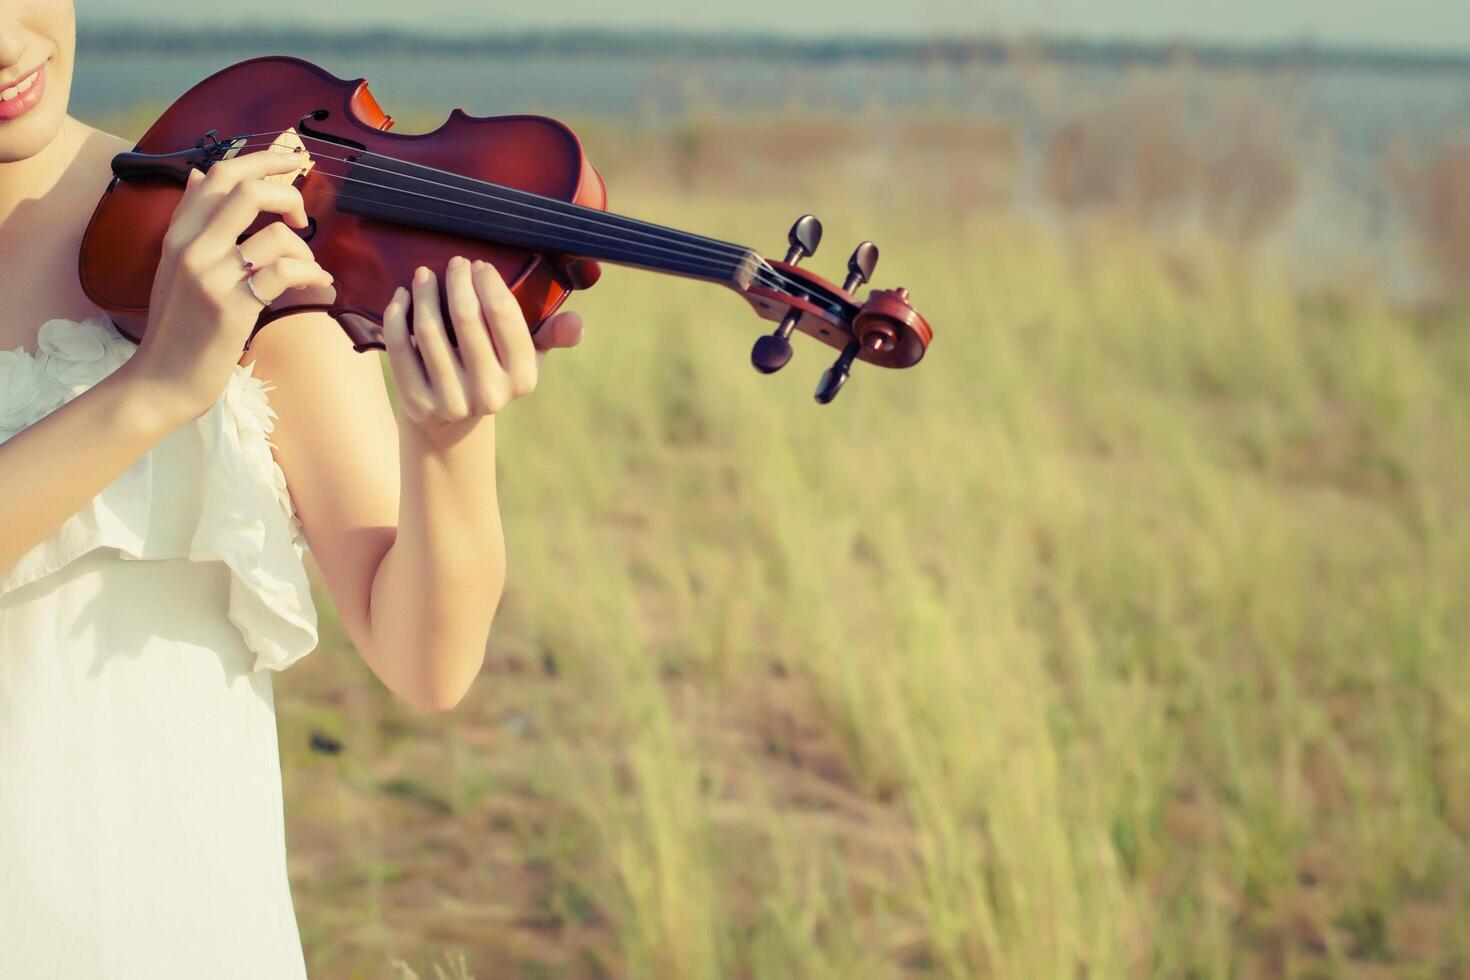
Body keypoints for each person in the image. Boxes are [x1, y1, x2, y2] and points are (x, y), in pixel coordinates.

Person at [0, 3, 587, 976]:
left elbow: (424, 659)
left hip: (165, 921)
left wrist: (447, 437)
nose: (8, 43)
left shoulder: (228, 228)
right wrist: (154, 389)